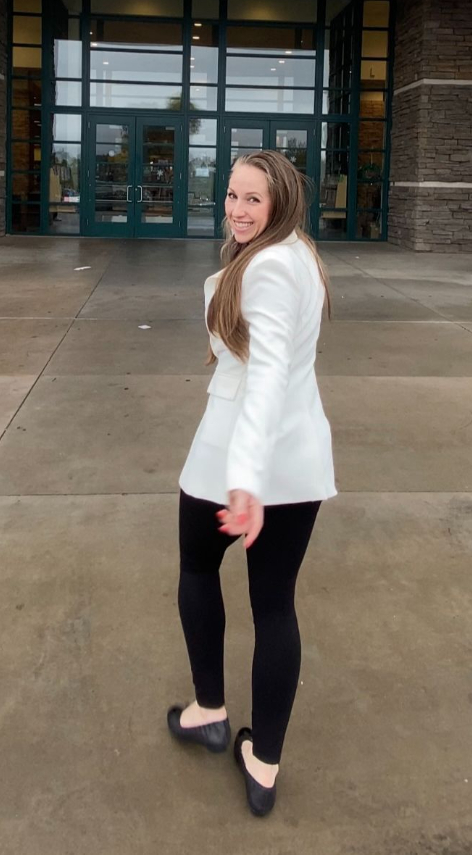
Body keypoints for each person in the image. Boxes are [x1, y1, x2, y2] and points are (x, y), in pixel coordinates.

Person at [168, 150, 337, 817]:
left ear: (280, 203)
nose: (237, 209)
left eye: (252, 199)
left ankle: (209, 711)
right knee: (274, 607)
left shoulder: (265, 268)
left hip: (233, 459)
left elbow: (265, 375)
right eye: (232, 194)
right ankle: (262, 763)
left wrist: (243, 481)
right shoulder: (298, 255)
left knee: (197, 569)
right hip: (298, 460)